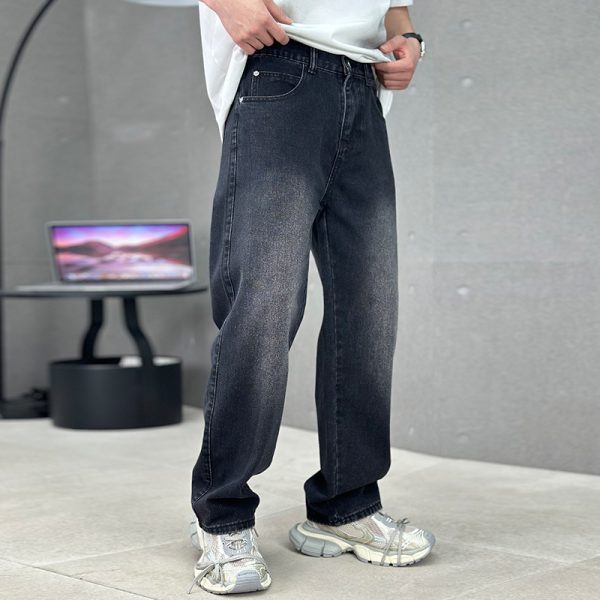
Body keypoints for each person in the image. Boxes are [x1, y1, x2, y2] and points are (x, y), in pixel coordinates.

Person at [188, 0, 434, 594]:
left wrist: (408, 37)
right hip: (279, 70)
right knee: (265, 307)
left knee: (369, 311)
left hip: (363, 86)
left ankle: (345, 505)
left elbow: (394, 6)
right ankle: (223, 516)